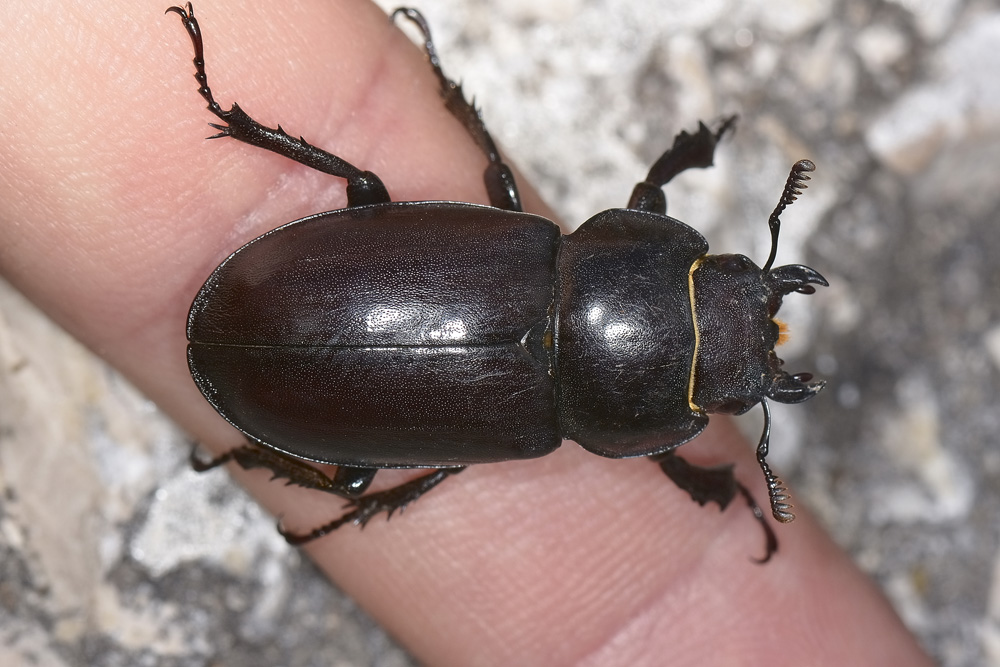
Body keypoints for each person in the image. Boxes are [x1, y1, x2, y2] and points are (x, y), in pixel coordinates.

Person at [0, 1, 931, 663]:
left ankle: (229, 120)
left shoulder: (538, 247)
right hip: (273, 321)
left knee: (369, 193)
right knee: (363, 479)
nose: (746, 310)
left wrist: (695, 146)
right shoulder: (536, 422)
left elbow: (636, 191)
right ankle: (227, 132)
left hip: (288, 309)